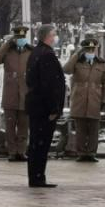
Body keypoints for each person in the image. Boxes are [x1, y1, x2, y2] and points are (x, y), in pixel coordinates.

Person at [25, 24, 66, 188]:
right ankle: (38, 177)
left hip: (36, 105)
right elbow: (49, 84)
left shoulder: (36, 52)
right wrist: (54, 108)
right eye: (54, 34)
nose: (55, 37)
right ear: (48, 36)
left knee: (36, 143)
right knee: (41, 144)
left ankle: (35, 176)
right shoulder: (47, 54)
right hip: (43, 107)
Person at [0, 22, 32, 162]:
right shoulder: (8, 51)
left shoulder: (30, 51)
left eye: (22, 37)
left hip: (25, 94)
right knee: (10, 125)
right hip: (10, 94)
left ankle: (21, 151)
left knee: (23, 126)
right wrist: (7, 44)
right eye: (17, 37)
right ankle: (12, 152)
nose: (20, 40)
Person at [64, 38, 105, 163]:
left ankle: (91, 153)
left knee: (94, 129)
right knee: (81, 129)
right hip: (80, 99)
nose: (90, 51)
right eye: (88, 49)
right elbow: (66, 69)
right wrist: (77, 54)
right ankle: (81, 153)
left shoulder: (101, 64)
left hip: (95, 99)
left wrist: (104, 99)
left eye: (92, 49)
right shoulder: (77, 62)